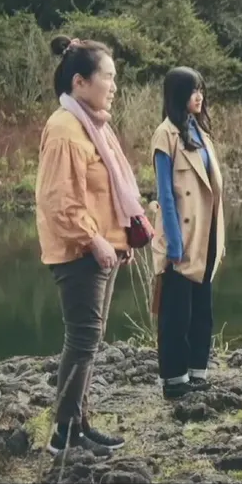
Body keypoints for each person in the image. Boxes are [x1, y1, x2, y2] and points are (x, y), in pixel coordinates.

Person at [35, 34, 149, 456]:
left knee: (90, 339)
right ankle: (63, 434)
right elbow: (60, 201)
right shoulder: (65, 129)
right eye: (108, 77)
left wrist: (120, 236)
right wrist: (95, 238)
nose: (114, 86)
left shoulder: (92, 125)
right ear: (80, 82)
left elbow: (105, 192)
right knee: (83, 339)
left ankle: (80, 423)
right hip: (80, 252)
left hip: (101, 249)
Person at [148, 66, 227, 400]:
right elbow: (165, 194)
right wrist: (174, 243)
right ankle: (174, 378)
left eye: (202, 90)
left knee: (202, 311)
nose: (200, 96)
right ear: (178, 94)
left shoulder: (201, 132)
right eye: (193, 90)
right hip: (182, 235)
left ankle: (197, 371)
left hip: (207, 233)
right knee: (176, 314)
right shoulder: (165, 134)